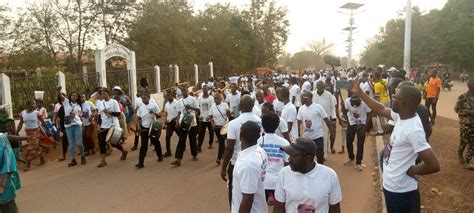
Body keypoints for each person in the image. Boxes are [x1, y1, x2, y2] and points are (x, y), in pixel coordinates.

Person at [351, 79, 440, 212]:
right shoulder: (401, 116)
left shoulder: (413, 130)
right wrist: (360, 93)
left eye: (395, 97)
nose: (392, 98)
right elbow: (380, 109)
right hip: (392, 187)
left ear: (402, 103)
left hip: (402, 193)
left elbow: (433, 165)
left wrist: (412, 170)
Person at [274, 137, 342, 213]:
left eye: (294, 156)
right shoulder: (284, 173)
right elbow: (278, 208)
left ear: (307, 158)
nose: (289, 159)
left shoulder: (330, 176)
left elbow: (335, 209)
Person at [220, 95, 261, 206]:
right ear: (253, 106)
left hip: (236, 163)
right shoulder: (259, 121)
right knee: (254, 191)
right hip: (256, 160)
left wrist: (224, 168)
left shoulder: (233, 123)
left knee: (234, 190)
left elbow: (229, 148)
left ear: (240, 106)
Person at [231, 121, 267, 213]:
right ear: (258, 136)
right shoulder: (260, 151)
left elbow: (248, 199)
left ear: (240, 136)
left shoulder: (248, 164)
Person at [258, 114, 289, 206]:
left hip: (262, 183)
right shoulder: (284, 142)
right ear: (277, 125)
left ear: (263, 126)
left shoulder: (258, 141)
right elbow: (287, 163)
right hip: (278, 182)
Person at [297, 92, 335, 164]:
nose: (301, 100)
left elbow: (326, 119)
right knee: (307, 157)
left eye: (302, 98)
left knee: (320, 156)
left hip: (318, 136)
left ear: (309, 98)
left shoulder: (318, 107)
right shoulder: (301, 109)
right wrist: (298, 133)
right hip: (307, 137)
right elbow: (298, 121)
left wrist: (331, 131)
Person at [96, 88, 129, 168]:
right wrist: (98, 125)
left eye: (104, 93)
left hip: (112, 125)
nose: (103, 95)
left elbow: (118, 114)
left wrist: (110, 112)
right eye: (102, 93)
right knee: (101, 142)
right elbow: (100, 115)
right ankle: (103, 161)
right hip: (103, 125)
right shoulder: (100, 103)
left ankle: (123, 151)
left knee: (113, 142)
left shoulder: (113, 102)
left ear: (108, 93)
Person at [171, 85, 200, 166]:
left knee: (192, 140)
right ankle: (178, 159)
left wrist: (191, 107)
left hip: (192, 123)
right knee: (181, 140)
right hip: (183, 123)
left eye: (185, 90)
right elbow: (179, 112)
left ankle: (194, 154)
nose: (183, 92)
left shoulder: (192, 99)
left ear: (187, 91)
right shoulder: (180, 101)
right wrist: (177, 122)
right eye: (182, 91)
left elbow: (198, 109)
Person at [58, 88, 86, 167]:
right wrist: (59, 91)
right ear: (70, 96)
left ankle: (82, 156)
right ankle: (72, 160)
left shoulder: (79, 105)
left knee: (79, 142)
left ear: (77, 97)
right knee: (71, 143)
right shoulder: (66, 102)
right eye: (73, 95)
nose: (74, 97)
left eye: (76, 96)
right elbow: (60, 96)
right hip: (68, 126)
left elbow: (80, 116)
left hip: (77, 125)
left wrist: (82, 125)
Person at [16, 100, 47, 171]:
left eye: (35, 104)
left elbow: (42, 122)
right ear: (28, 104)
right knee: (36, 147)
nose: (35, 105)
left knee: (31, 148)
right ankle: (42, 159)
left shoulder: (37, 113)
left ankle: (27, 165)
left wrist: (47, 130)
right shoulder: (23, 113)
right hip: (28, 133)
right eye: (33, 104)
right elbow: (20, 123)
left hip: (36, 132)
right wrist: (17, 132)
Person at [343, 95, 371, 171]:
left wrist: (365, 127)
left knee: (360, 143)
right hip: (351, 123)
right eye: (353, 105)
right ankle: (351, 158)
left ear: (360, 102)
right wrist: (347, 118)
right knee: (349, 141)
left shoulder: (364, 102)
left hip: (362, 123)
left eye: (356, 105)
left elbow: (369, 114)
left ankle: (359, 162)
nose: (354, 106)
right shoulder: (347, 101)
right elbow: (344, 110)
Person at [135, 93, 162, 169]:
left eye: (145, 98)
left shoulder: (153, 106)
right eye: (142, 99)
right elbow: (139, 118)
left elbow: (159, 115)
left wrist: (154, 113)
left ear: (149, 98)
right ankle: (141, 162)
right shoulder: (141, 108)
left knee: (155, 141)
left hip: (153, 127)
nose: (143, 100)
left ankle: (160, 156)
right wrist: (138, 126)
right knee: (143, 145)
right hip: (144, 127)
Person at [0, 133, 24, 213]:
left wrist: (1, 186)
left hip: (3, 184)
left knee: (8, 207)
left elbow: (7, 164)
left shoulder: (1, 139)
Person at [312, 80, 337, 155]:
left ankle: (323, 154)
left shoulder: (329, 95)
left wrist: (333, 118)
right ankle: (315, 154)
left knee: (325, 136)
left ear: (324, 86)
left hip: (325, 120)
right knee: (315, 136)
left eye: (321, 85)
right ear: (316, 86)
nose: (319, 87)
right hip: (314, 120)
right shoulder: (312, 94)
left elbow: (332, 108)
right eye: (318, 85)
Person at [454, 79, 474, 170]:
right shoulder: (463, 97)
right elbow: (457, 110)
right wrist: (469, 112)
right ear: (470, 86)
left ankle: (467, 161)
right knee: (464, 141)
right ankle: (459, 154)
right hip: (465, 124)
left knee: (473, 143)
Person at [209, 93, 231, 164]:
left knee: (224, 141)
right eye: (215, 98)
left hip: (225, 126)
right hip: (217, 127)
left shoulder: (225, 105)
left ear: (221, 99)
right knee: (221, 141)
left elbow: (229, 115)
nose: (216, 99)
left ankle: (221, 157)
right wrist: (213, 124)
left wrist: (228, 113)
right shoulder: (212, 107)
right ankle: (221, 156)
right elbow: (210, 116)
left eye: (217, 98)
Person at [197, 85, 215, 152]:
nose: (204, 90)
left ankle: (210, 143)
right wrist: (199, 115)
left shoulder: (211, 98)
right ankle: (199, 146)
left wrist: (210, 116)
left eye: (206, 88)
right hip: (202, 118)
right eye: (203, 88)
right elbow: (198, 107)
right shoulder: (199, 98)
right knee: (201, 133)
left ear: (208, 89)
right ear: (202, 89)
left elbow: (213, 108)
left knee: (211, 132)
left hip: (209, 118)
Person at [163, 90, 179, 158]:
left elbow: (179, 113)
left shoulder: (177, 103)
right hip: (169, 123)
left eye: (169, 95)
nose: (168, 97)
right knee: (167, 137)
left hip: (176, 122)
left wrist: (176, 119)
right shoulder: (166, 104)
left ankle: (182, 147)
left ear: (172, 95)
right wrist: (165, 120)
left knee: (181, 136)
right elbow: (166, 113)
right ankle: (168, 151)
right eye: (167, 96)